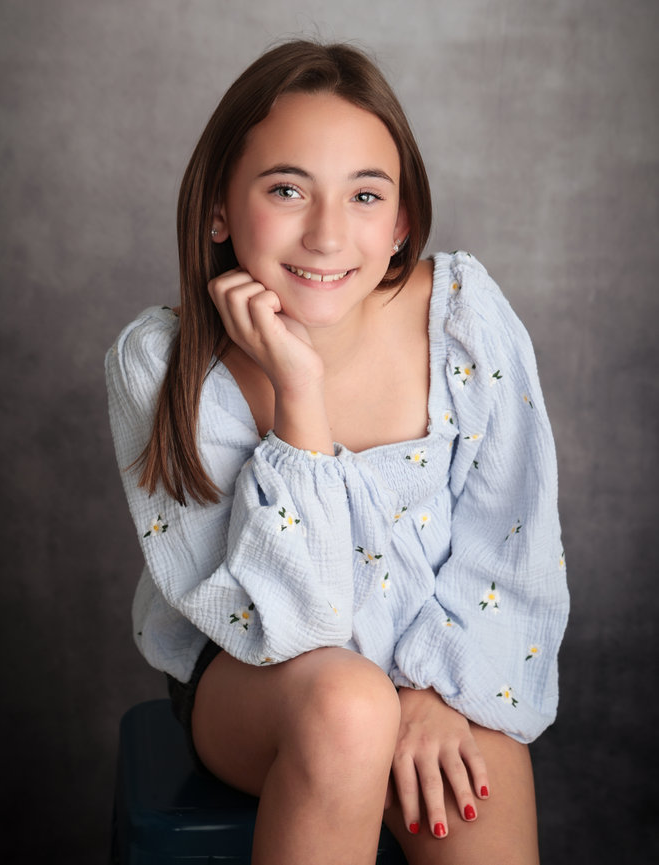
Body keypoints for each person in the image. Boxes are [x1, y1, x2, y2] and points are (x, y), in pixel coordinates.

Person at [106, 40, 568, 865]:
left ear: (399, 226)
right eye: (287, 189)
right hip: (255, 675)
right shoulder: (162, 366)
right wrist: (299, 394)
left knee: (482, 768)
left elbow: (510, 552)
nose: (326, 234)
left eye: (364, 195)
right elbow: (289, 625)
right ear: (219, 208)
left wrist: (431, 692)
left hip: (440, 659)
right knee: (349, 706)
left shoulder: (463, 318)